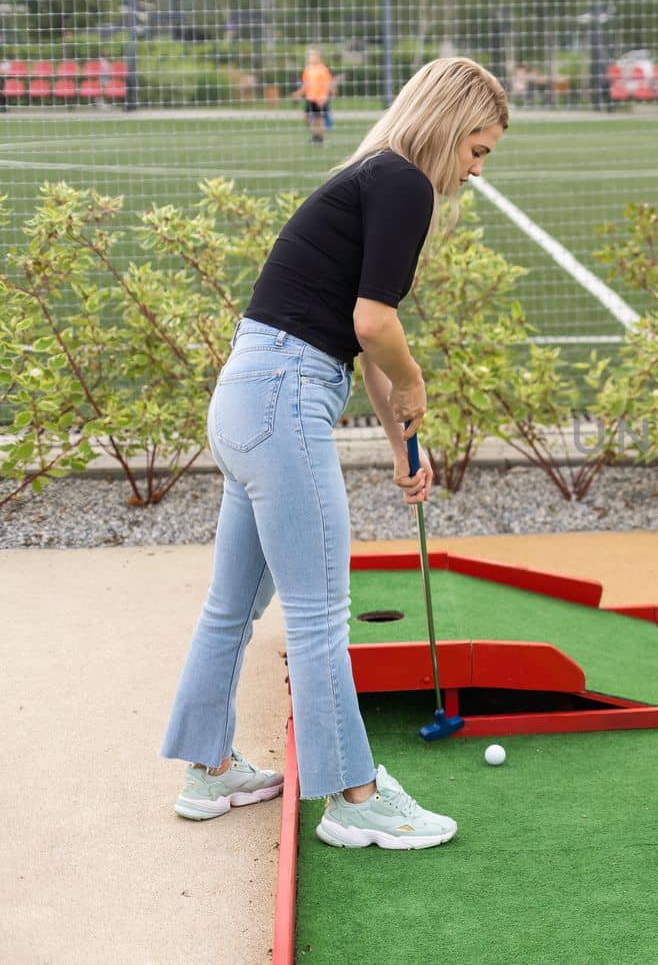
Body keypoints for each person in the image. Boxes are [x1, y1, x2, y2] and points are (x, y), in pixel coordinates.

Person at [161, 57, 509, 850]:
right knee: (320, 618)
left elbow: (356, 339)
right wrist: (415, 375)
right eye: (478, 149)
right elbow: (374, 325)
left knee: (232, 606)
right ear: (451, 127)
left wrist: (400, 445)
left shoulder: (370, 177)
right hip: (285, 398)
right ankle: (355, 795)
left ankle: (209, 768)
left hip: (247, 396)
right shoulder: (405, 183)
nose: (476, 170)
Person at [292, 48, 336, 144]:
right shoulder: (308, 69)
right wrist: (298, 93)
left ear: (319, 57)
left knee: (319, 120)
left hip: (320, 99)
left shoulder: (323, 69)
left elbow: (328, 84)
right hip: (310, 98)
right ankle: (316, 136)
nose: (310, 57)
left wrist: (324, 97)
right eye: (309, 55)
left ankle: (321, 139)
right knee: (306, 118)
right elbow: (306, 84)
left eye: (312, 55)